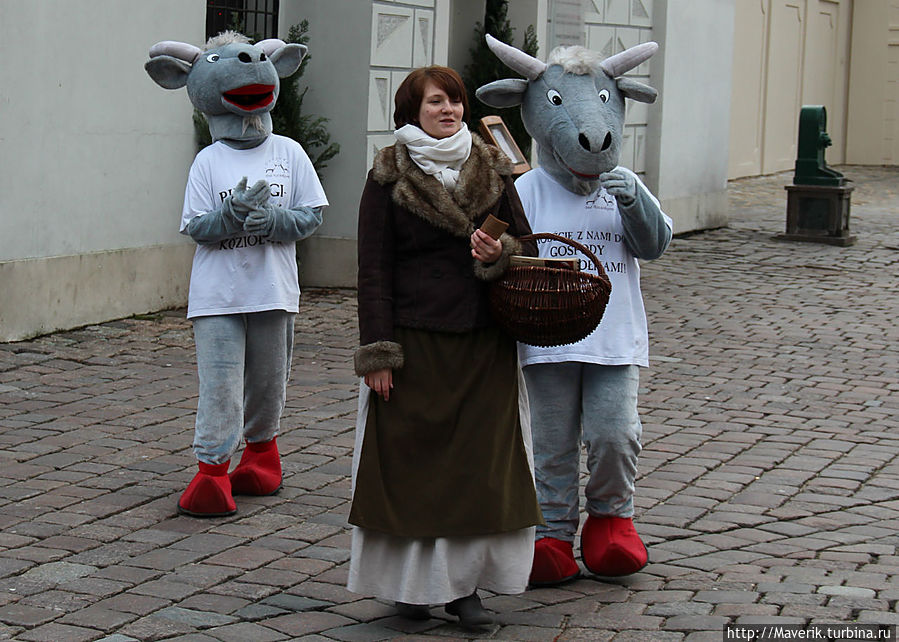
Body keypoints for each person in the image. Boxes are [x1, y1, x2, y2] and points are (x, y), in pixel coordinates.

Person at [346, 66, 543, 627]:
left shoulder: (492, 167)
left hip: (483, 342)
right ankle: (410, 588)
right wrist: (379, 353)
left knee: (478, 471)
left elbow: (526, 246)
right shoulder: (388, 173)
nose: (449, 110)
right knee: (412, 470)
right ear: (412, 111)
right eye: (435, 102)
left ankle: (464, 590)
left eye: (454, 101)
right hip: (416, 343)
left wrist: (498, 254)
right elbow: (373, 269)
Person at [145, 32, 328, 516]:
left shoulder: (289, 152)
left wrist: (274, 221)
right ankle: (212, 472)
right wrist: (232, 216)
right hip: (217, 297)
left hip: (273, 291)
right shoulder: (208, 160)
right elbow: (196, 228)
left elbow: (312, 214)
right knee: (221, 387)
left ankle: (262, 457)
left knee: (269, 382)